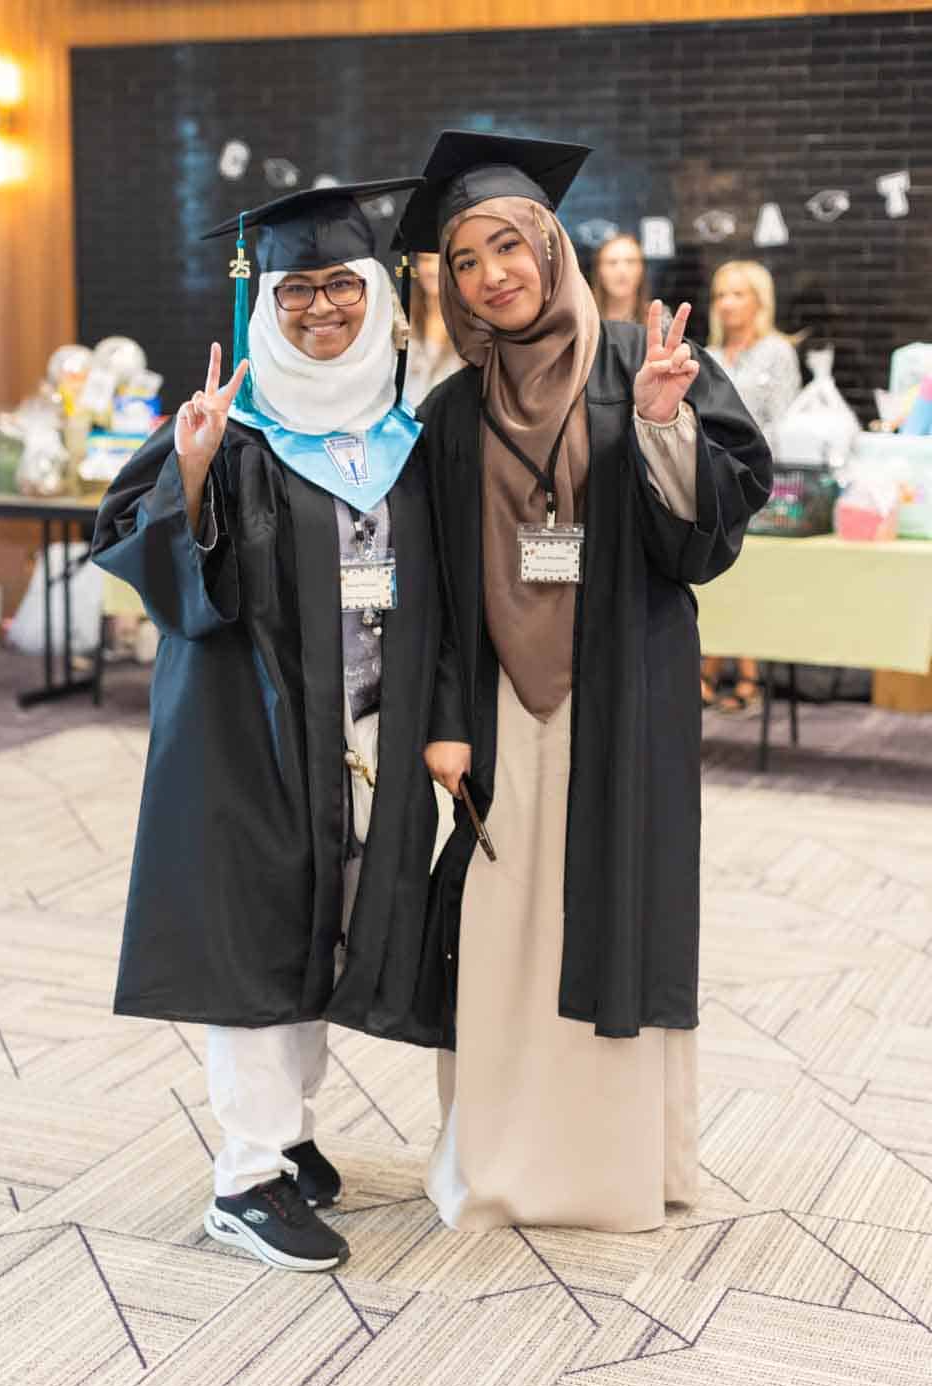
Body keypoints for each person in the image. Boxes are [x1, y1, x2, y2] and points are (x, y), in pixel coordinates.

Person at [396, 132, 771, 1234]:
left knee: (614, 910)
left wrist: (660, 422)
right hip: (501, 712)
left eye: (507, 245)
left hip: (623, 696)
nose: (489, 275)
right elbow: (439, 587)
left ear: (550, 248)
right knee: (505, 928)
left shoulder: (635, 362)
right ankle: (501, 1160)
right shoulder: (452, 414)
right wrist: (444, 722)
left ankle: (614, 1169)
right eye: (463, 261)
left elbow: (708, 538)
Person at [91, 179, 446, 1273]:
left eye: (345, 283)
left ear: (381, 297)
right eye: (299, 289)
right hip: (245, 737)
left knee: (322, 929)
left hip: (361, 733)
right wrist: (190, 476)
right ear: (265, 300)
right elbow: (147, 562)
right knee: (253, 937)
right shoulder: (223, 427)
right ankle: (243, 1180)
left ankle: (284, 1135)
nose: (323, 307)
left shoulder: (400, 432)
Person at [702, 259, 803, 711]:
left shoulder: (777, 351)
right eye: (720, 294)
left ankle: (747, 675)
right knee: (715, 577)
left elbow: (782, 422)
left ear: (759, 300)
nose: (726, 304)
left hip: (760, 482)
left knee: (750, 578)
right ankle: (710, 668)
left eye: (737, 294)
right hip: (709, 480)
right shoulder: (708, 354)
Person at [403, 251, 466, 408]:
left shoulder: (471, 328)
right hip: (403, 426)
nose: (431, 269)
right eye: (425, 259)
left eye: (441, 262)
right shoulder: (401, 319)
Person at [591, 231, 652, 324]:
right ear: (599, 270)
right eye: (612, 262)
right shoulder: (582, 319)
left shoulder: (658, 316)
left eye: (630, 261)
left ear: (642, 269)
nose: (621, 270)